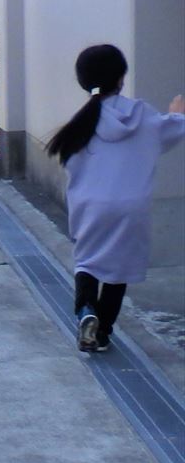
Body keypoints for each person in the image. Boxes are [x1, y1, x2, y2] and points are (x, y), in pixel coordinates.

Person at [46, 45, 185, 352]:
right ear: (121, 78)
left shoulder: (82, 124)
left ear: (84, 82)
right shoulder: (142, 114)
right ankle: (104, 333)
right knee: (117, 271)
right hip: (131, 208)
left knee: (88, 262)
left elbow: (71, 162)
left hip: (90, 207)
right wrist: (177, 115)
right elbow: (169, 131)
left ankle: (86, 312)